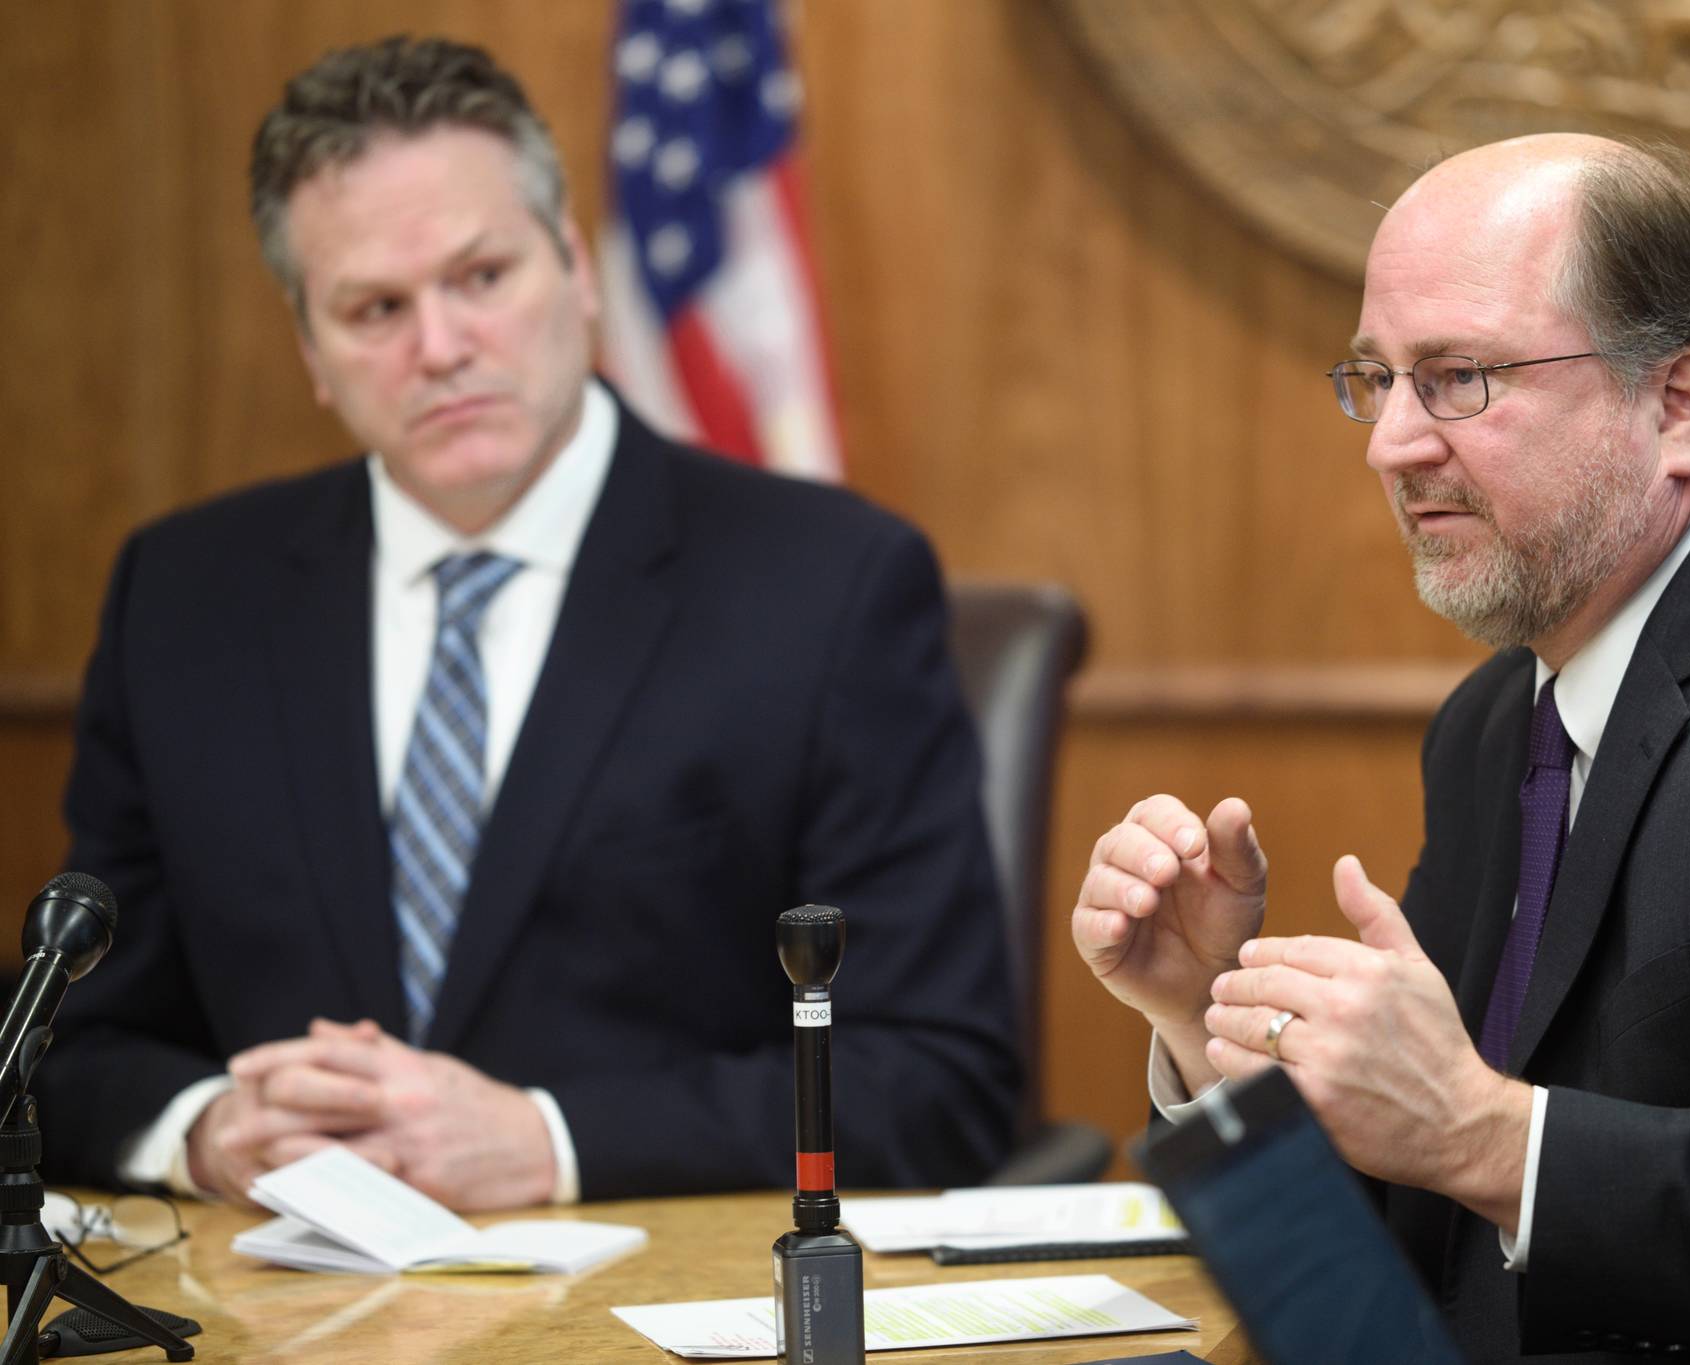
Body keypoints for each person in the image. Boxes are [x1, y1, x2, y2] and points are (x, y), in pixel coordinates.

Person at [1073, 134, 1690, 1358]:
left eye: (1460, 378)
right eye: (1376, 380)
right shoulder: (1497, 724)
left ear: (1677, 405)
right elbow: (1384, 1300)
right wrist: (1204, 1029)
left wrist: (1489, 1136)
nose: (1390, 444)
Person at [36, 35, 1020, 1211]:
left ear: (577, 269)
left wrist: (551, 1141)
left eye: (482, 277)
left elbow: (934, 1078)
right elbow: (68, 1045)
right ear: (310, 350)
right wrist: (203, 1133)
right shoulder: (185, 597)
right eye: (374, 307)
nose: (440, 347)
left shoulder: (829, 587)